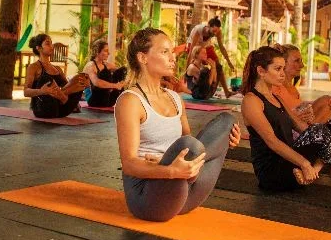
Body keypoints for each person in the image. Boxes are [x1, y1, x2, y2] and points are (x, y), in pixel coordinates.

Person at [115, 28, 240, 222]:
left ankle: (185, 175)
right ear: (143, 58)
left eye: (172, 52)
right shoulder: (130, 101)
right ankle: (181, 174)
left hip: (183, 195)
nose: (173, 57)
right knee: (189, 145)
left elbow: (192, 149)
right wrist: (171, 170)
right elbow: (129, 164)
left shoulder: (175, 98)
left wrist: (224, 142)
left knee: (227, 122)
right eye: (165, 52)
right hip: (148, 199)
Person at [241, 46, 331, 190]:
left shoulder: (277, 98)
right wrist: (304, 164)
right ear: (261, 71)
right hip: (273, 171)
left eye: (283, 68)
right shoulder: (251, 100)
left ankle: (313, 172)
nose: (282, 74)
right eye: (278, 69)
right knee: (319, 130)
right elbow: (272, 141)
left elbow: (303, 128)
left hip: (293, 165)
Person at [24, 33, 89, 118]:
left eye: (51, 43)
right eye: (48, 43)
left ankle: (64, 99)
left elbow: (68, 87)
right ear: (39, 48)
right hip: (44, 109)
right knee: (47, 79)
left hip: (62, 109)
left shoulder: (57, 69)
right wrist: (42, 91)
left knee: (82, 77)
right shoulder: (34, 67)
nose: (52, 46)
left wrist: (84, 84)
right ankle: (64, 99)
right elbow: (26, 92)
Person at [273, 44, 331, 125]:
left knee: (328, 101)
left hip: (301, 126)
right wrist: (295, 116)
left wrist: (324, 103)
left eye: (301, 61)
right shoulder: (275, 87)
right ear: (282, 63)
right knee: (327, 102)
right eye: (297, 61)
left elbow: (296, 105)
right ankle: (312, 131)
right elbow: (274, 117)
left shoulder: (292, 88)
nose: (302, 65)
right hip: (290, 129)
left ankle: (313, 130)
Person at [187, 16, 235, 97]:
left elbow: (222, 48)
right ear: (209, 26)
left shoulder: (218, 32)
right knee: (197, 67)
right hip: (194, 47)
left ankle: (226, 92)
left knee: (218, 65)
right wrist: (187, 71)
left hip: (206, 46)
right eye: (214, 31)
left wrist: (229, 62)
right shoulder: (198, 31)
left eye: (217, 31)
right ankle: (194, 88)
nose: (215, 34)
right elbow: (191, 51)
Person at [83, 39, 126, 107]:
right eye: (106, 51)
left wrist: (123, 82)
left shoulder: (106, 65)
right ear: (97, 51)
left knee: (122, 70)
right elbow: (96, 82)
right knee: (104, 74)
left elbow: (121, 72)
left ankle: (125, 100)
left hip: (108, 100)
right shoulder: (90, 65)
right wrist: (116, 85)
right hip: (94, 100)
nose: (108, 53)